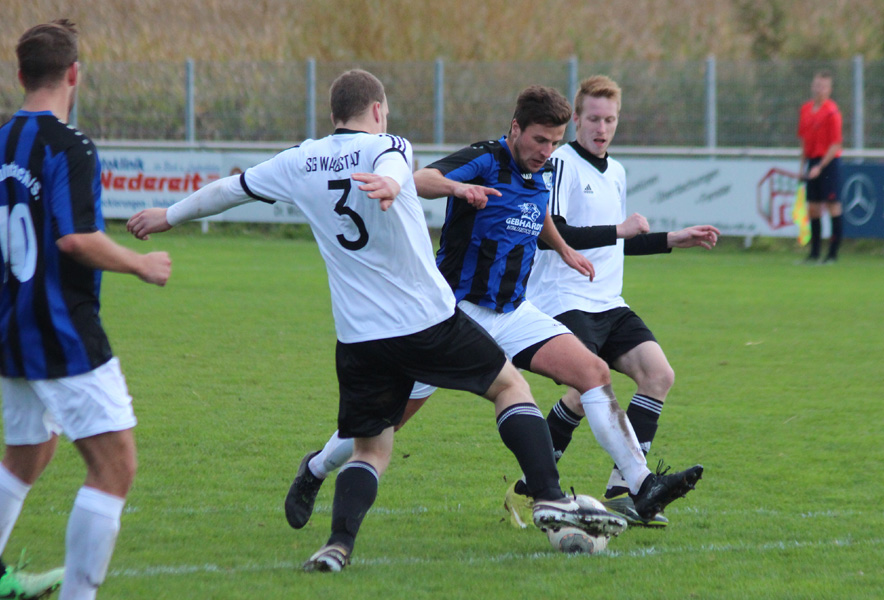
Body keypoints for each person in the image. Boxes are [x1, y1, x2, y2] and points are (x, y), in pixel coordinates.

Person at [127, 69, 627, 573]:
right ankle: (546, 496)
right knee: (509, 388)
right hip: (427, 320)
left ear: (332, 115)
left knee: (373, 448)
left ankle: (337, 546)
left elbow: (230, 190)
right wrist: (390, 181)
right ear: (379, 110)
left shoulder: (300, 160)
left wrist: (168, 215)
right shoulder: (390, 146)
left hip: (359, 337)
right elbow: (391, 163)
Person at [284, 85, 703, 534]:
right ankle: (316, 468)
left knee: (594, 373)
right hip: (451, 317)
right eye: (539, 140)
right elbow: (420, 179)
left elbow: (536, 208)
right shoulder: (485, 157)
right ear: (515, 128)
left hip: (512, 312)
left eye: (555, 142)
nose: (547, 151)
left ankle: (640, 486)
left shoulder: (538, 171)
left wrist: (562, 248)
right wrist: (459, 188)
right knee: (384, 425)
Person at [0, 20, 172, 600]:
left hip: (9, 328)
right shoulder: (70, 146)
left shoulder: (1, 141)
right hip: (60, 330)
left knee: (27, 452)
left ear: (21, 74)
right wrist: (141, 264)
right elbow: (75, 239)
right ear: (75, 74)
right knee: (115, 465)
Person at [510, 75, 721, 528]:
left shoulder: (618, 171)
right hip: (562, 297)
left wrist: (671, 239)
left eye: (609, 119)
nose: (601, 128)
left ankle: (624, 492)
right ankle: (534, 488)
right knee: (587, 388)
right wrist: (620, 230)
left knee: (658, 374)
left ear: (617, 120)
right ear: (578, 120)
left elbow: (615, 243)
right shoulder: (560, 163)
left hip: (609, 301)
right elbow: (554, 235)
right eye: (592, 119)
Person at [798, 70, 843, 264]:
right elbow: (803, 141)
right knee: (813, 209)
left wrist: (820, 167)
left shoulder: (832, 112)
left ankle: (832, 254)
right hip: (812, 161)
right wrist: (803, 166)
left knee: (833, 206)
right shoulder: (806, 109)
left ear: (829, 89)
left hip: (828, 162)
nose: (819, 89)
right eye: (817, 85)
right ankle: (814, 253)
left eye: (823, 86)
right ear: (812, 86)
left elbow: (836, 144)